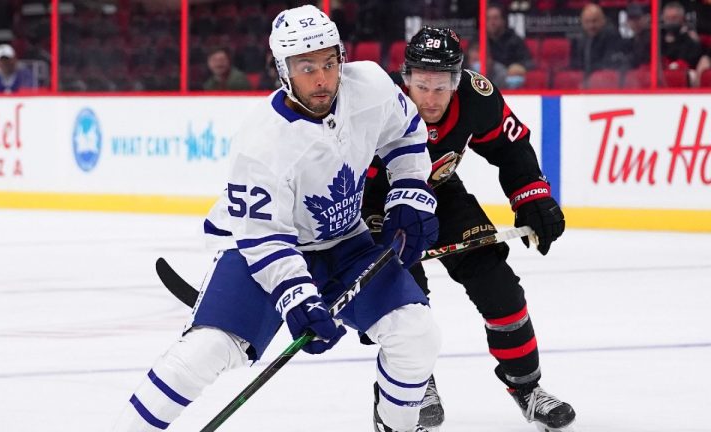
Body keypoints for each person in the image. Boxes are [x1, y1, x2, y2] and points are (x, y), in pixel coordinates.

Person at [113, 5, 441, 432]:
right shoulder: (261, 142)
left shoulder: (372, 86)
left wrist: (410, 193)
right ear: (283, 70)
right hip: (254, 246)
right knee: (209, 349)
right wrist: (297, 297)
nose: (322, 78)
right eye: (306, 68)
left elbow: (405, 132)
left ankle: (396, 426)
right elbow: (266, 240)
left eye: (328, 62)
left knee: (417, 333)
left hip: (343, 240)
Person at [363, 27, 576, 431]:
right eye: (421, 85)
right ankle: (411, 388)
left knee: (498, 285)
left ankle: (527, 388)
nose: (429, 97)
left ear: (457, 81)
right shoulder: (375, 102)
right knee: (402, 303)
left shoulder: (477, 98)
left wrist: (532, 197)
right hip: (374, 203)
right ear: (405, 78)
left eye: (441, 87)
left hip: (439, 191)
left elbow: (511, 146)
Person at [661, 1, 711, 86]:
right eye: (668, 18)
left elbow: (692, 60)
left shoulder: (690, 41)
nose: (671, 22)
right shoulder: (658, 39)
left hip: (686, 82)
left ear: (682, 19)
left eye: (674, 18)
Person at [569, 3, 625, 74]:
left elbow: (608, 64)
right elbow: (574, 64)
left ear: (603, 21)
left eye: (594, 21)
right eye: (587, 22)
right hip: (584, 79)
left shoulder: (612, 36)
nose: (591, 26)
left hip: (604, 79)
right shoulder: (579, 38)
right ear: (582, 23)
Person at [486, 4, 534, 70]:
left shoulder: (515, 40)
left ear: (503, 21)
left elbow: (528, 62)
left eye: (495, 18)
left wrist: (517, 67)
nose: (491, 22)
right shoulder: (478, 39)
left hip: (508, 77)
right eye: (488, 19)